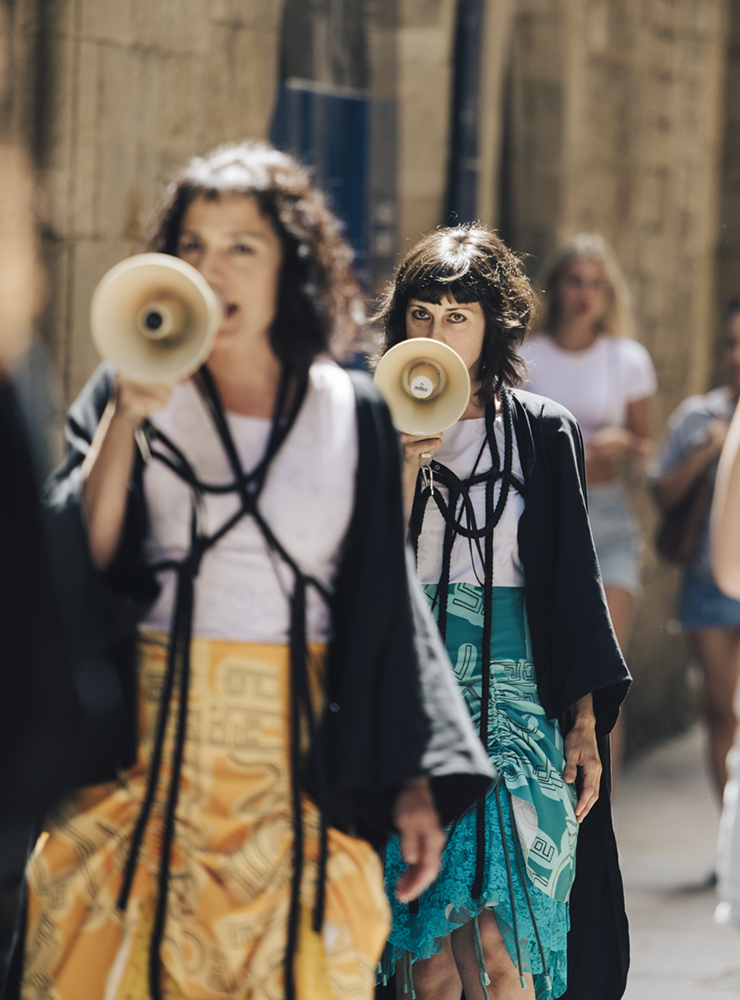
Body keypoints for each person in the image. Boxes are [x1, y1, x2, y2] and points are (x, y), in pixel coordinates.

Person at [14, 143, 493, 1000]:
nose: (212, 268)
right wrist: (126, 417)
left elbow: (387, 610)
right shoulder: (130, 389)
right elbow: (72, 571)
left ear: (291, 269)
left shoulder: (351, 414)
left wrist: (416, 779)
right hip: (142, 768)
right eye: (192, 245)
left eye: (242, 246)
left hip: (295, 781)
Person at [374, 225, 631, 1000]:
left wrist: (583, 721)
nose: (437, 332)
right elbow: (362, 573)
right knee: (429, 961)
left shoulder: (543, 429)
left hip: (521, 699)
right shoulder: (365, 421)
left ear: (493, 326)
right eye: (421, 314)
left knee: (502, 937)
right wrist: (405, 461)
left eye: (458, 315)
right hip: (411, 702)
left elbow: (571, 587)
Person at [518, 234, 656, 774]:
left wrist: (626, 445)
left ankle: (604, 812)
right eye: (576, 280)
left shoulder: (626, 359)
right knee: (545, 658)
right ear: (555, 286)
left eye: (597, 284)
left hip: (608, 516)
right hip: (544, 514)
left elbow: (648, 449)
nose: (585, 294)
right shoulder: (529, 354)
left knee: (603, 673)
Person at [651, 299, 740, 804]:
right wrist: (709, 450)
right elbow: (662, 493)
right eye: (730, 341)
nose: (737, 353)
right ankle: (732, 840)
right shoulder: (697, 416)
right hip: (708, 584)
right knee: (720, 711)